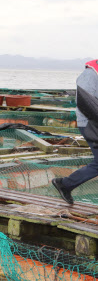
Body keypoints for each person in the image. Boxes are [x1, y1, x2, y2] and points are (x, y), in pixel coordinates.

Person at [53, 59, 98, 205]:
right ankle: (65, 184)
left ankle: (65, 184)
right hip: (91, 123)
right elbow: (86, 102)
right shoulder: (91, 73)